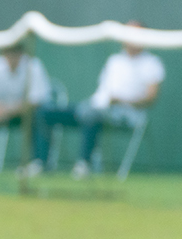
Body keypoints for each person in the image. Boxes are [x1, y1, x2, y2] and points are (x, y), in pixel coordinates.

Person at [70, 23, 164, 178]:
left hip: (128, 114)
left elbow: (150, 98)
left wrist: (121, 101)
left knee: (91, 115)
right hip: (95, 107)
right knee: (48, 113)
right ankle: (39, 165)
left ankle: (84, 164)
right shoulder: (114, 60)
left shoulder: (151, 63)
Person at [0, 42, 50, 175]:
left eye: (16, 53)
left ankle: (38, 163)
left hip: (26, 115)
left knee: (40, 117)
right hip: (1, 114)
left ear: (22, 54)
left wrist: (8, 110)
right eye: (9, 53)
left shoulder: (34, 66)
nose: (12, 57)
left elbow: (36, 101)